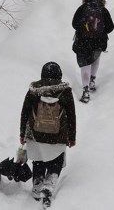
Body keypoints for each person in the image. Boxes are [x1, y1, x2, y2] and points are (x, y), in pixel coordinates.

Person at [19, 62, 76, 208]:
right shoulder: (65, 91)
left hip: (35, 135)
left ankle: (37, 184)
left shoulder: (34, 90)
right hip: (58, 135)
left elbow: (25, 112)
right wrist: (71, 137)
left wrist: (22, 134)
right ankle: (49, 185)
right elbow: (71, 115)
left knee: (38, 160)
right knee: (56, 160)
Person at [72, 0, 114, 103]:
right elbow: (111, 27)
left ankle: (86, 91)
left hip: (82, 43)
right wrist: (100, 31)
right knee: (95, 59)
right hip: (98, 43)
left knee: (85, 65)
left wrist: (84, 30)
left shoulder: (82, 9)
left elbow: (74, 24)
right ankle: (92, 81)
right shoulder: (103, 10)